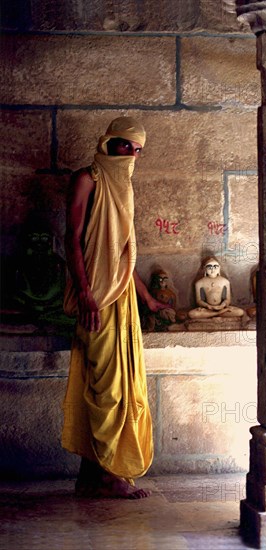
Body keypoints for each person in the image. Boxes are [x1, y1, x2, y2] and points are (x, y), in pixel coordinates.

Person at [62, 116, 166, 499]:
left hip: (121, 297)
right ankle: (110, 474)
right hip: (96, 300)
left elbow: (122, 255)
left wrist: (147, 298)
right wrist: (86, 293)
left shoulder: (123, 187)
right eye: (127, 146)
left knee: (114, 384)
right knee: (107, 388)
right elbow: (71, 239)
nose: (132, 155)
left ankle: (91, 474)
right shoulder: (87, 179)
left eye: (138, 150)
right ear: (110, 142)